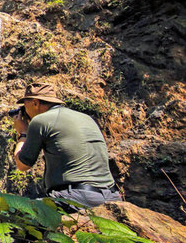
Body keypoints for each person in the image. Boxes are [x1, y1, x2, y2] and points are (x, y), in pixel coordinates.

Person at [12, 83, 122, 211]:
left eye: (25, 104)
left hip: (77, 197)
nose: (23, 109)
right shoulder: (86, 118)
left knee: (19, 216)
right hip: (111, 195)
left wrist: (23, 133)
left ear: (35, 103)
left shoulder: (40, 121)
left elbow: (22, 165)